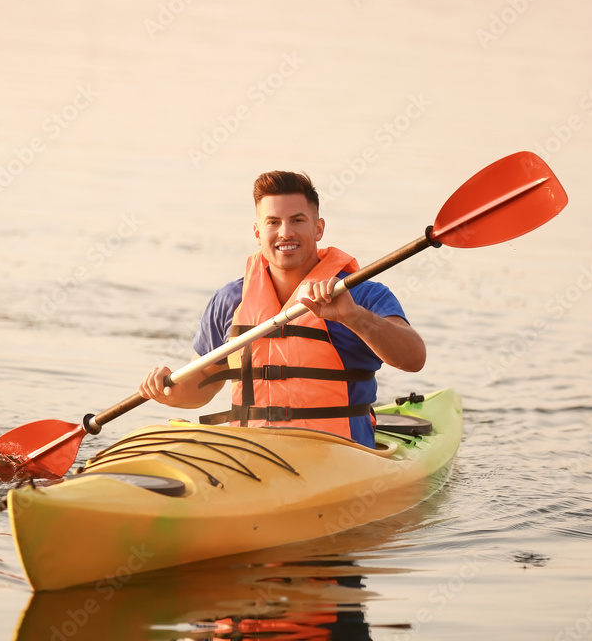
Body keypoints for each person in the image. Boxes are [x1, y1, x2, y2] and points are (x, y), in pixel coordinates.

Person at [138, 170, 425, 447]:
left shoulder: (361, 295)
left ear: (318, 228)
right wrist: (168, 392)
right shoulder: (230, 299)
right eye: (273, 222)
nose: (285, 233)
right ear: (257, 232)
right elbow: (201, 384)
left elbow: (414, 359)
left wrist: (354, 317)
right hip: (249, 452)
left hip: (341, 453)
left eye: (297, 220)